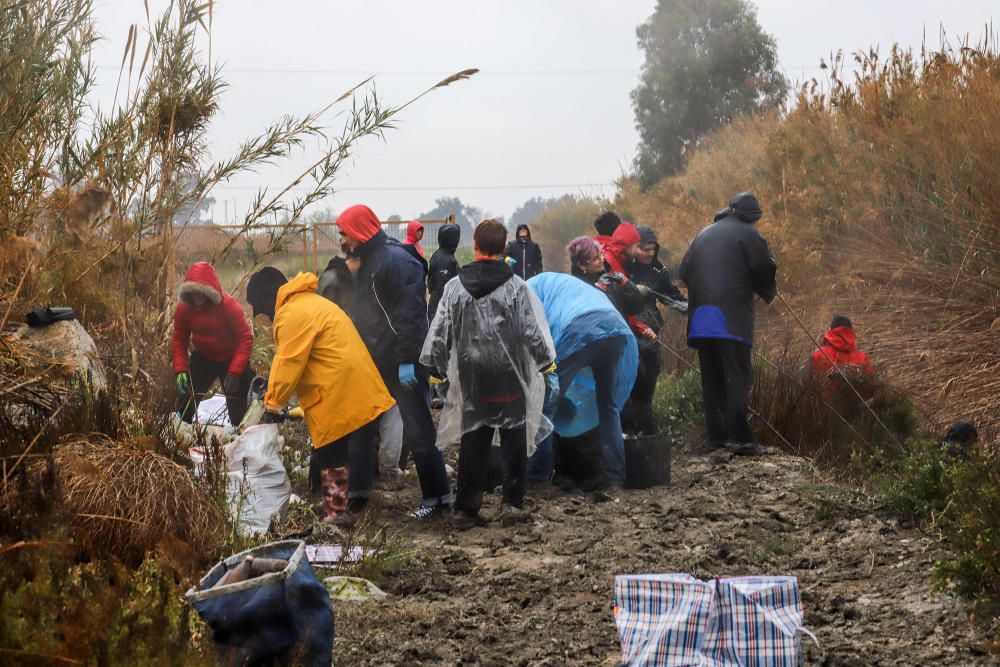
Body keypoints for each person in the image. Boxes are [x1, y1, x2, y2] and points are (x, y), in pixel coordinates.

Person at [422, 220, 556, 522]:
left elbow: (440, 331)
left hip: (472, 374)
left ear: (476, 245)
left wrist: (439, 367)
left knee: (474, 436)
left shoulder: (455, 287)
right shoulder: (516, 287)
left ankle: (465, 508)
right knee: (513, 436)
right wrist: (546, 361)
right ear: (504, 246)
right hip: (511, 374)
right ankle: (512, 503)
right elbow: (532, 330)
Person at [246, 268, 395, 517]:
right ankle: (340, 504)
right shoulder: (309, 303)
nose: (264, 316)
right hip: (350, 383)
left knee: (331, 452)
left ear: (269, 297)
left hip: (339, 388)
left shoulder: (292, 314)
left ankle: (337, 512)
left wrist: (271, 405)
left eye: (261, 307)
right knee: (343, 449)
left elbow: (288, 363)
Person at [337, 204, 454, 518]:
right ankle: (358, 497)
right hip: (374, 361)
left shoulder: (397, 261)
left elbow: (412, 318)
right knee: (361, 426)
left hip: (404, 362)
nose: (342, 240)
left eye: (344, 233)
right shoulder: (364, 262)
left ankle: (438, 499)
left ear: (359, 231)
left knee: (419, 431)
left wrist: (406, 360)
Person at [679, 192, 777, 455]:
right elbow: (763, 269)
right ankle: (742, 439)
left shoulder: (703, 234)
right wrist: (766, 288)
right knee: (738, 377)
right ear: (753, 216)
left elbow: (683, 271)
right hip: (731, 320)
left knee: (711, 378)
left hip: (701, 319)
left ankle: (717, 437)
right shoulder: (749, 234)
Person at [526, 271, 638, 489]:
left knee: (547, 406)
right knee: (608, 407)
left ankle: (536, 479)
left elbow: (539, 340)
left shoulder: (530, 291)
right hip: (615, 330)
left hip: (580, 328)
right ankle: (615, 478)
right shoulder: (562, 285)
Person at [317, 255, 402, 477]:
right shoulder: (333, 281)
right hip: (339, 361)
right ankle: (337, 491)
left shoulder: (354, 281)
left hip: (357, 357)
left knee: (363, 420)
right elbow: (325, 321)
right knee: (339, 428)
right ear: (354, 261)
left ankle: (356, 484)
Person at [621, 226, 688, 435]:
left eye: (653, 249)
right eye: (645, 249)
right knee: (632, 382)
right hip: (628, 332)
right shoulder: (623, 268)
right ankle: (630, 430)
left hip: (651, 333)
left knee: (648, 383)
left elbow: (671, 296)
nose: (650, 253)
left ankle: (647, 429)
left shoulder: (659, 271)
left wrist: (691, 308)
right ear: (635, 249)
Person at [172, 261, 255, 426]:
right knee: (185, 403)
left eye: (201, 293)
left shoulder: (229, 306)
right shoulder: (184, 309)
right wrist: (180, 370)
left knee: (239, 411)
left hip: (231, 358)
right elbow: (179, 340)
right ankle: (180, 433)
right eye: (193, 293)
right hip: (204, 357)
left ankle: (241, 438)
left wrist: (235, 372)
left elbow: (246, 337)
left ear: (210, 292)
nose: (197, 297)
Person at [808, 315, 873, 380]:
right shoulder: (863, 359)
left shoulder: (818, 355)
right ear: (851, 331)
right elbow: (870, 384)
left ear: (830, 330)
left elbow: (808, 380)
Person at [427, 223, 461, 319]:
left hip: (441, 308)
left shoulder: (444, 255)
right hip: (441, 310)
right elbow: (441, 289)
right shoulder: (443, 259)